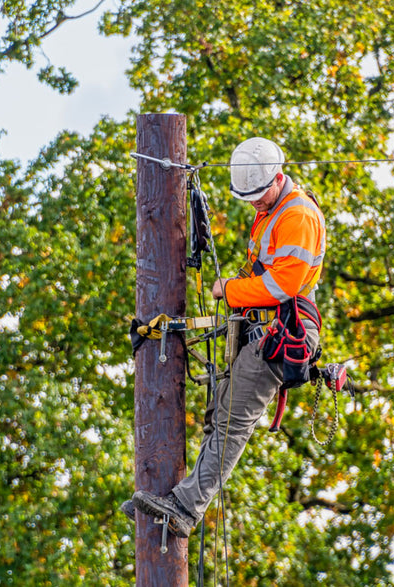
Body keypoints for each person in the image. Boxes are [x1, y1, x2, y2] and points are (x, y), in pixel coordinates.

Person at [123, 137, 326, 537]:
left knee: (232, 422)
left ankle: (184, 509)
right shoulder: (271, 210)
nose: (253, 203)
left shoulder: (297, 215)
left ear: (278, 178)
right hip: (263, 329)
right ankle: (178, 497)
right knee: (220, 414)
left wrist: (229, 289)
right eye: (247, 197)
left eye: (258, 195)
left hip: (284, 332)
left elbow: (283, 285)